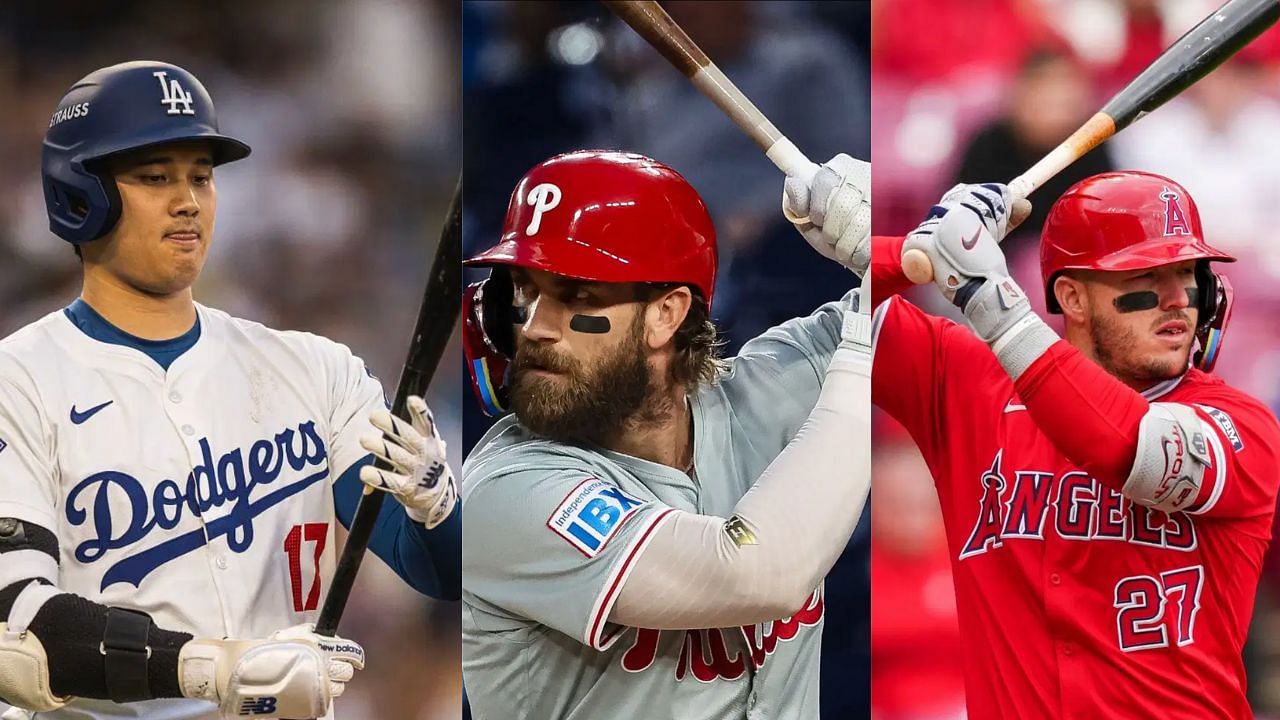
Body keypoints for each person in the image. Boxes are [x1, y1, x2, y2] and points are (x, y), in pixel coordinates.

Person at [0, 61, 460, 719]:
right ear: (82, 193)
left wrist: (437, 507)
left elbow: (437, 574)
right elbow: (20, 641)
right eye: (156, 177)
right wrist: (217, 669)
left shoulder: (314, 368)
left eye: (201, 176)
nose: (188, 199)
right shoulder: (16, 381)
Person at [460, 149, 871, 719]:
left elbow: (942, 305)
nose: (536, 327)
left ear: (667, 314)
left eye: (577, 295)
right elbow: (756, 569)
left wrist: (892, 240)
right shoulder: (508, 490)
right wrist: (865, 351)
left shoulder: (763, 394)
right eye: (523, 293)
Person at [864, 173, 1280, 718]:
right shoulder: (967, 383)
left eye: (1188, 273)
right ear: (1072, 297)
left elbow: (1130, 447)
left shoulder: (1239, 424)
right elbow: (813, 310)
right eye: (1148, 275)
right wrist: (917, 252)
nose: (1179, 299)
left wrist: (995, 303)